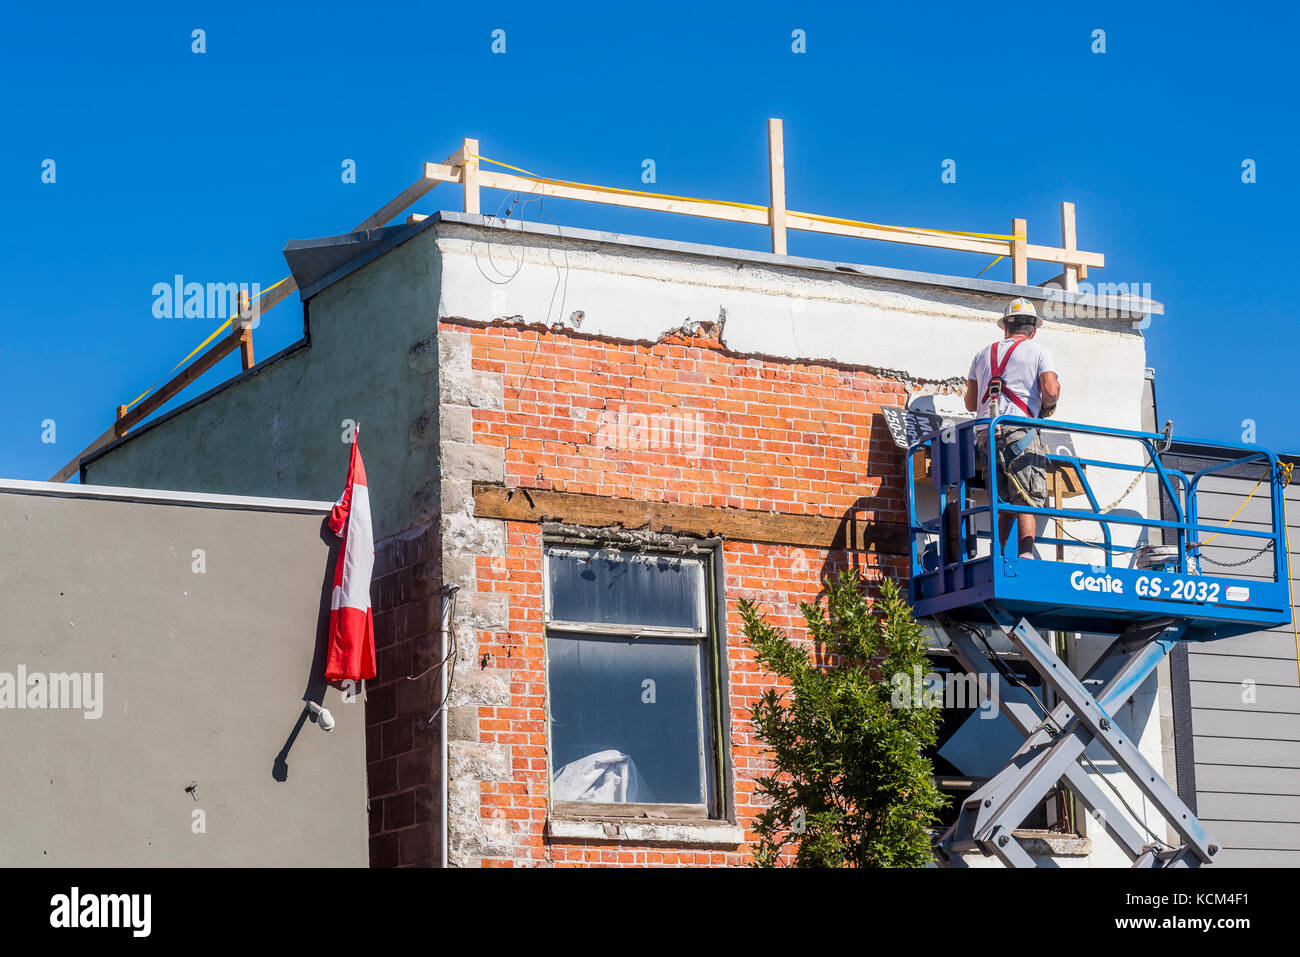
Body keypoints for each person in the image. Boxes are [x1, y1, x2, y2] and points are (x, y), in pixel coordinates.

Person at [963, 297, 1061, 559]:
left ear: (1005, 327)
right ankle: (1025, 556)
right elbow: (1050, 391)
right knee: (1025, 498)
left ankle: (999, 554)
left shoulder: (982, 354)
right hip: (1020, 431)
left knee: (1002, 499)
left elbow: (971, 402)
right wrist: (1049, 403)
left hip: (987, 433)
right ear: (1034, 330)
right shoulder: (1039, 352)